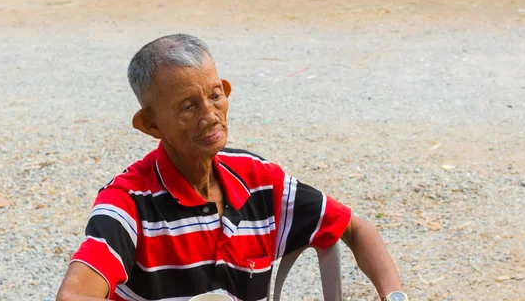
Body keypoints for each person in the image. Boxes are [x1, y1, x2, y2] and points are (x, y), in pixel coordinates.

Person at [56, 34, 408, 301]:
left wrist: (395, 297)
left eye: (214, 96)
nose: (210, 117)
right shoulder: (127, 203)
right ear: (150, 124)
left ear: (225, 91)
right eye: (187, 107)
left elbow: (356, 229)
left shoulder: (259, 179)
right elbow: (75, 294)